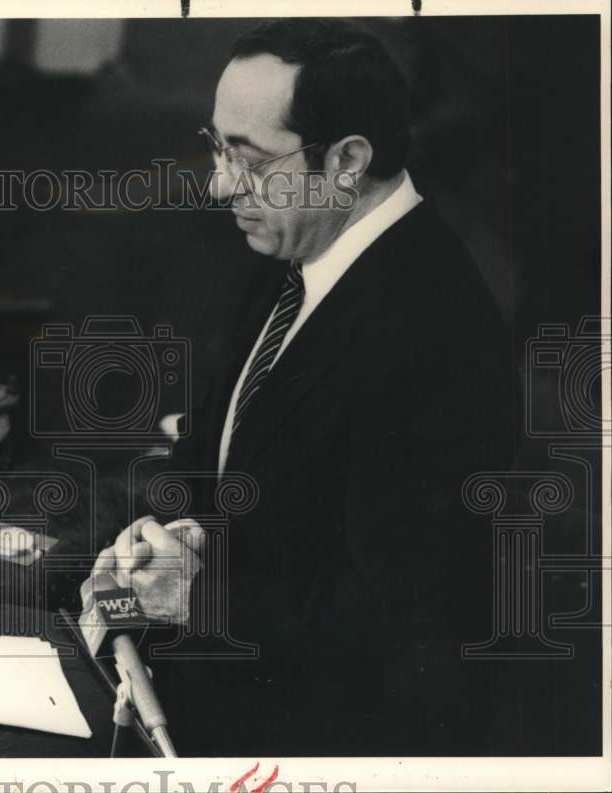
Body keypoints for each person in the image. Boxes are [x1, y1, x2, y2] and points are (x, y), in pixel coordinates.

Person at [82, 19, 518, 756]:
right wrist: (160, 541)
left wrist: (199, 593)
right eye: (217, 145)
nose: (221, 182)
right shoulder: (296, 251)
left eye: (247, 157)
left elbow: (407, 629)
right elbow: (228, 459)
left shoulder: (437, 333)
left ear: (348, 159)